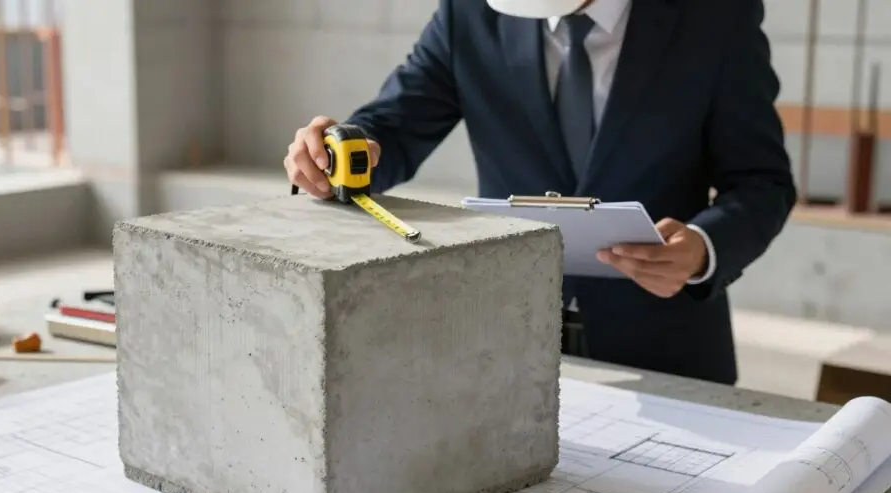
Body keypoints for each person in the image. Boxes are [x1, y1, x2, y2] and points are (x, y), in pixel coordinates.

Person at [283, 0, 796, 385]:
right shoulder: (472, 13)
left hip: (665, 351)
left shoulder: (714, 16)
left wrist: (703, 249)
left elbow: (762, 182)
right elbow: (393, 127)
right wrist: (336, 153)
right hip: (506, 344)